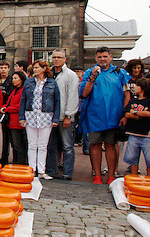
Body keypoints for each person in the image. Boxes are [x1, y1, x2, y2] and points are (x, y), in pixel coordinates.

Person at [80, 46, 131, 184]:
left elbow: (127, 95)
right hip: (95, 115)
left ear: (110, 57)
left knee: (111, 144)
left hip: (114, 116)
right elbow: (84, 93)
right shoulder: (89, 72)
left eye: (105, 56)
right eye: (99, 57)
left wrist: (125, 114)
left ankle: (111, 175)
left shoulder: (120, 73)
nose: (102, 59)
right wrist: (91, 78)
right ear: (96, 58)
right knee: (95, 144)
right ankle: (97, 175)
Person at [19, 60, 60, 180]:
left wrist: (55, 118)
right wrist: (21, 117)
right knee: (32, 144)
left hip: (46, 116)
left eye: (37, 68)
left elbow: (57, 101)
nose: (35, 70)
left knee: (43, 145)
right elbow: (23, 100)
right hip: (31, 115)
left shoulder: (52, 83)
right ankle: (32, 169)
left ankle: (41, 170)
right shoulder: (29, 82)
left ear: (43, 69)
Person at [46, 49, 80, 180]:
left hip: (64, 116)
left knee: (67, 146)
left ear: (65, 59)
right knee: (51, 145)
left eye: (59, 57)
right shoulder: (49, 74)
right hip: (50, 116)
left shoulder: (71, 75)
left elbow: (72, 96)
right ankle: (52, 171)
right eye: (54, 57)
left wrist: (68, 115)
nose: (56, 59)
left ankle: (67, 173)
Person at [120, 77, 150, 176]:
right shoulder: (133, 100)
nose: (134, 87)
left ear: (143, 88)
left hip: (147, 135)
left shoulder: (148, 101)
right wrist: (141, 114)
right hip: (133, 134)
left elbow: (148, 114)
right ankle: (134, 177)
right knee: (132, 159)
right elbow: (127, 113)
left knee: (149, 159)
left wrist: (136, 112)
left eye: (137, 86)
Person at [0, 71, 28, 165]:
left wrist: (7, 109)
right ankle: (16, 161)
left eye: (16, 78)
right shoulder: (14, 91)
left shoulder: (23, 90)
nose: (13, 80)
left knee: (18, 144)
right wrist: (4, 107)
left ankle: (20, 163)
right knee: (13, 144)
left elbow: (20, 106)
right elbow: (9, 102)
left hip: (17, 121)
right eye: (13, 78)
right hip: (10, 120)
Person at [0, 60, 14, 165]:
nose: (3, 70)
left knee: (7, 136)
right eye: (1, 68)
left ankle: (5, 158)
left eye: (5, 68)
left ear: (9, 69)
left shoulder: (11, 80)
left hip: (7, 111)